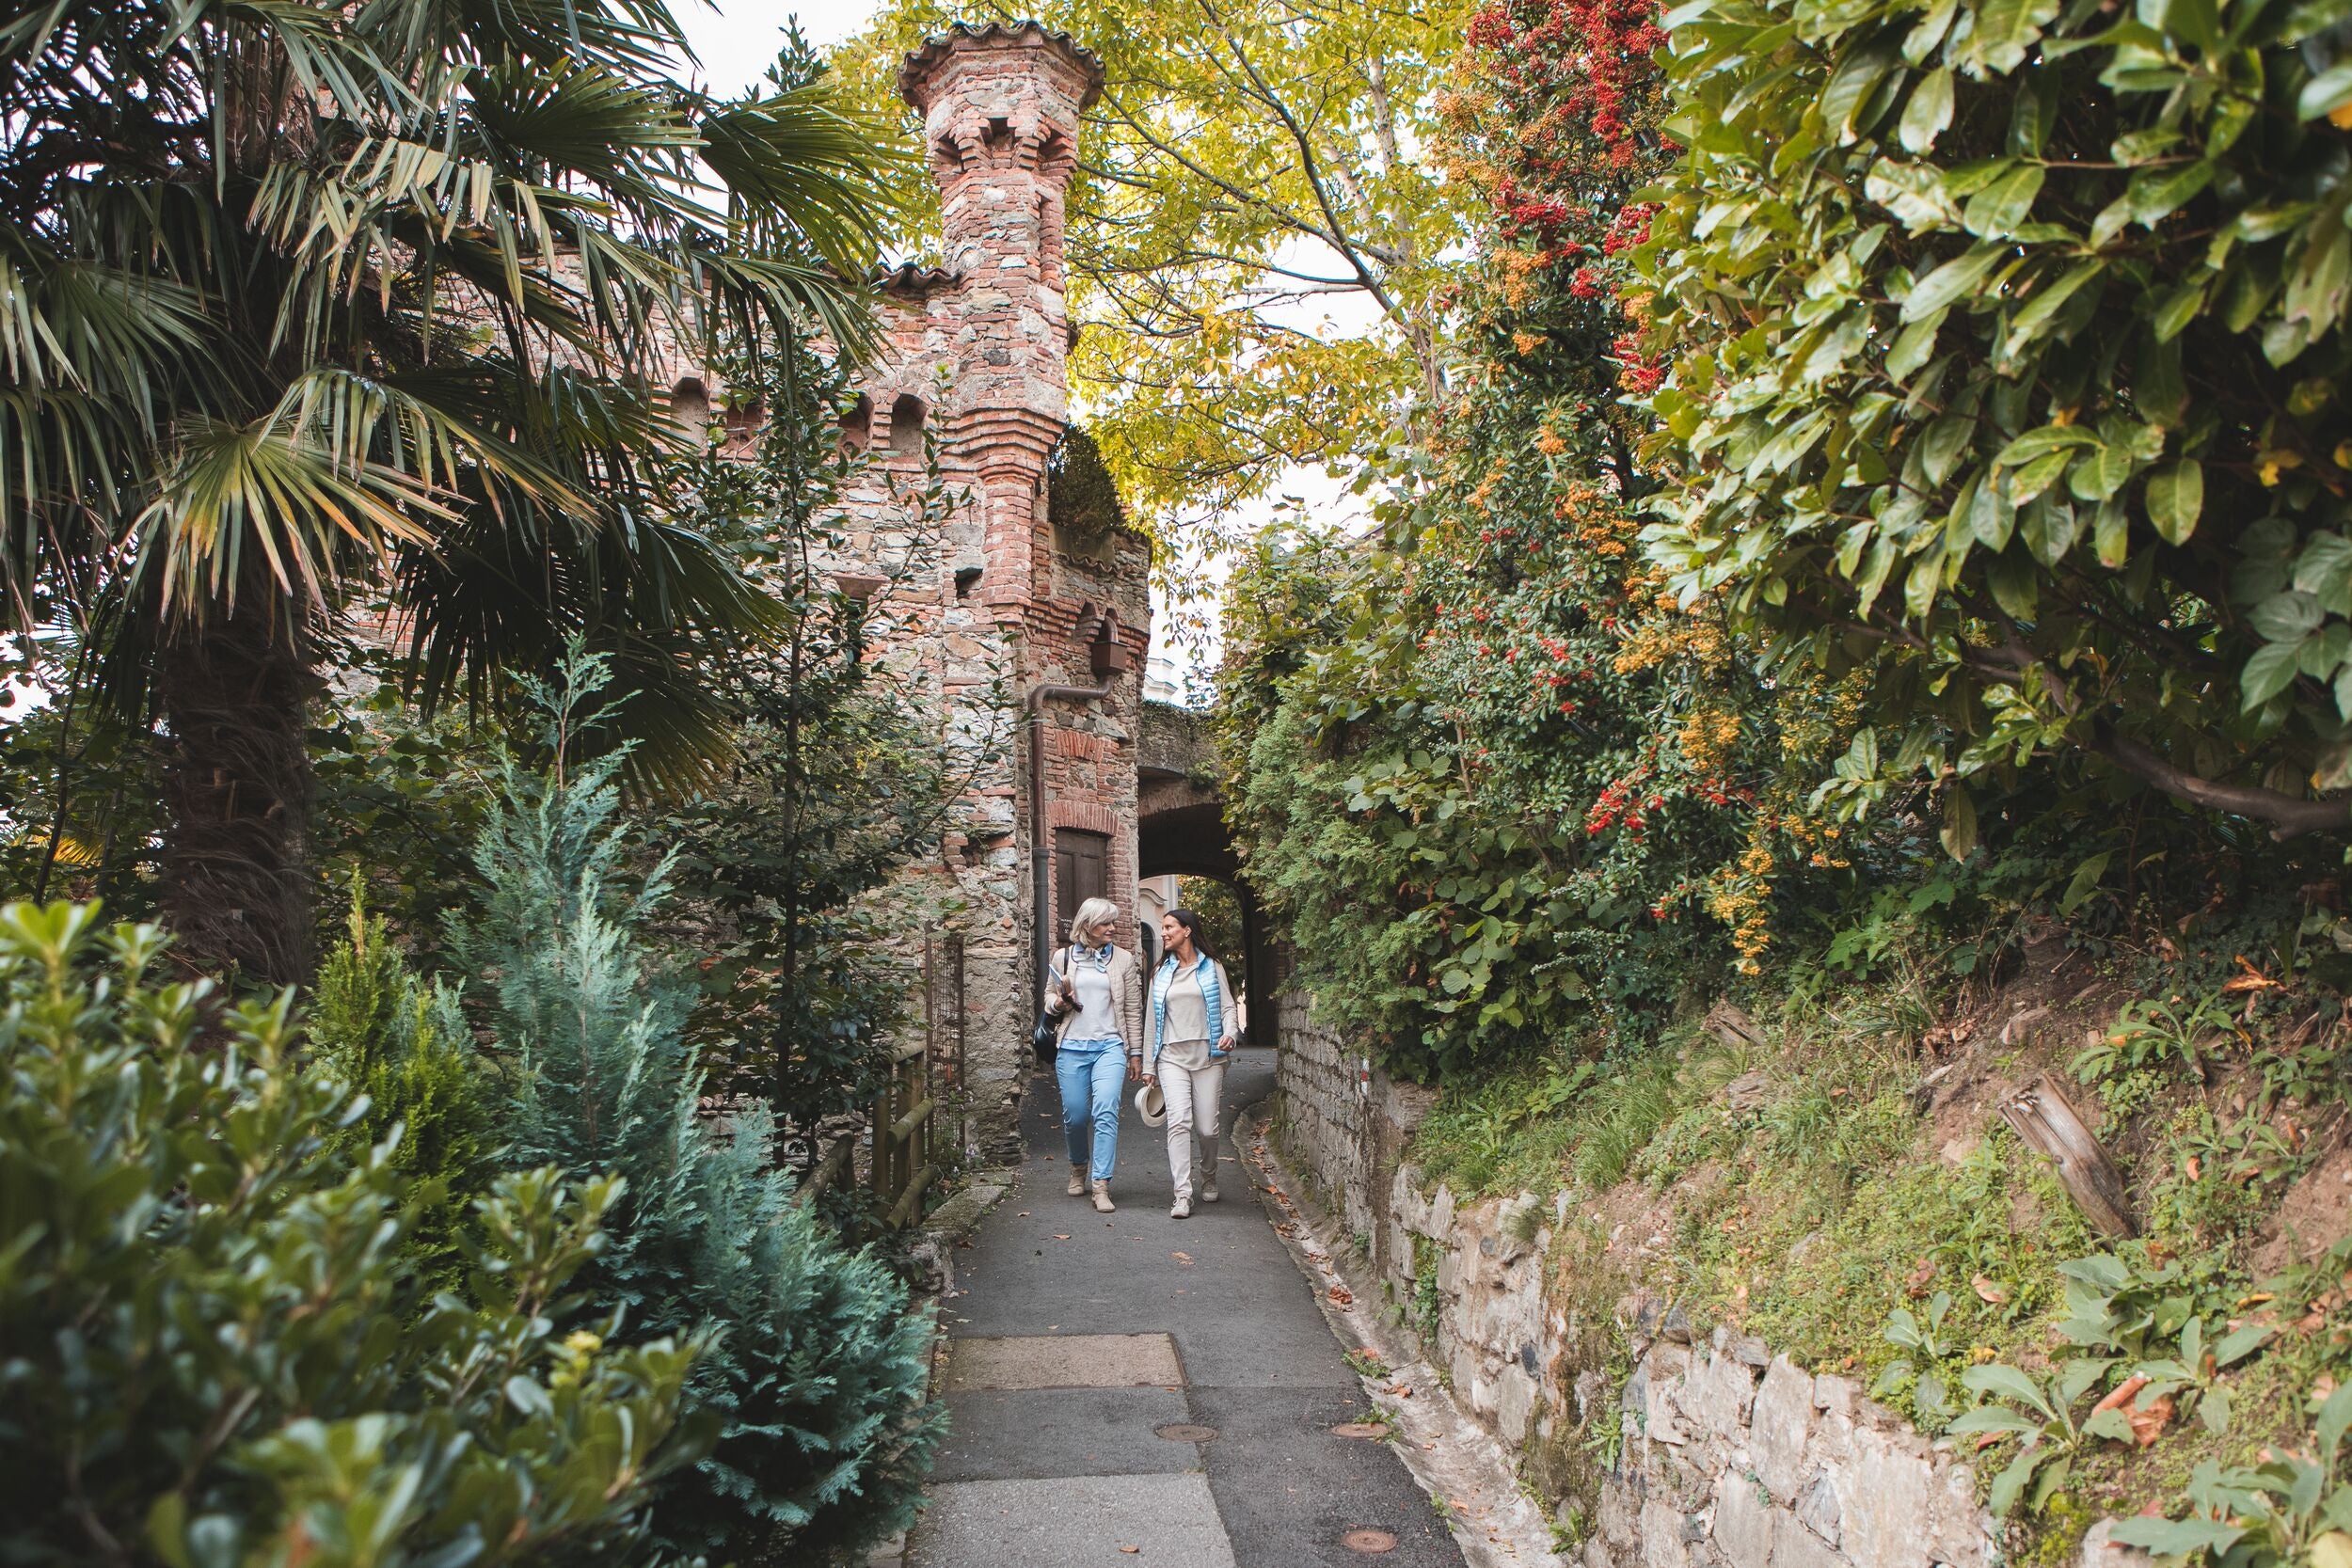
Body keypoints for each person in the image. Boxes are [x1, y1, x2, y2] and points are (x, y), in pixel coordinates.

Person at [1041, 896, 1145, 1213]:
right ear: (1087, 926)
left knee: (1106, 1110)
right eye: (1105, 923)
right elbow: (1048, 996)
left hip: (1110, 1046)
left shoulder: (1123, 960)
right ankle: (1077, 1168)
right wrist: (1058, 1004)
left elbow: (1131, 1008)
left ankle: (1101, 1185)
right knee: (1075, 1116)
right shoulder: (1064, 958)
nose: (1112, 928)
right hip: (1072, 1045)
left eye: (1113, 922)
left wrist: (1136, 1053)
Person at [1145, 909, 1240, 1219]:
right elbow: (1150, 1022)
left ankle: (1209, 1175)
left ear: (1187, 930)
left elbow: (1228, 1007)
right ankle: (1182, 1194)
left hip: (1208, 1057)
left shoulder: (1212, 968)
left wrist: (1229, 1034)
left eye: (1169, 926)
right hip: (1171, 1058)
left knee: (1207, 1129)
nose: (1164, 932)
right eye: (1163, 927)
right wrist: (1149, 1065)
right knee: (1179, 1122)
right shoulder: (1160, 973)